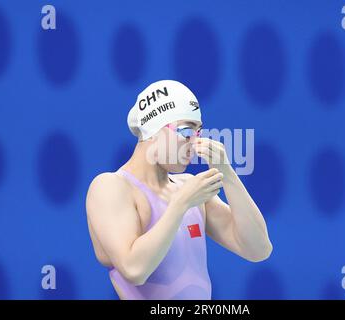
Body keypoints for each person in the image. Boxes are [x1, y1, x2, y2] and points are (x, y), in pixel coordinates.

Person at [85, 80, 272, 299]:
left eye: (199, 132)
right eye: (186, 131)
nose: (194, 143)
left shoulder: (188, 188)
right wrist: (180, 204)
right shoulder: (110, 187)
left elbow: (258, 249)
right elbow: (134, 270)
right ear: (152, 131)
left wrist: (227, 173)